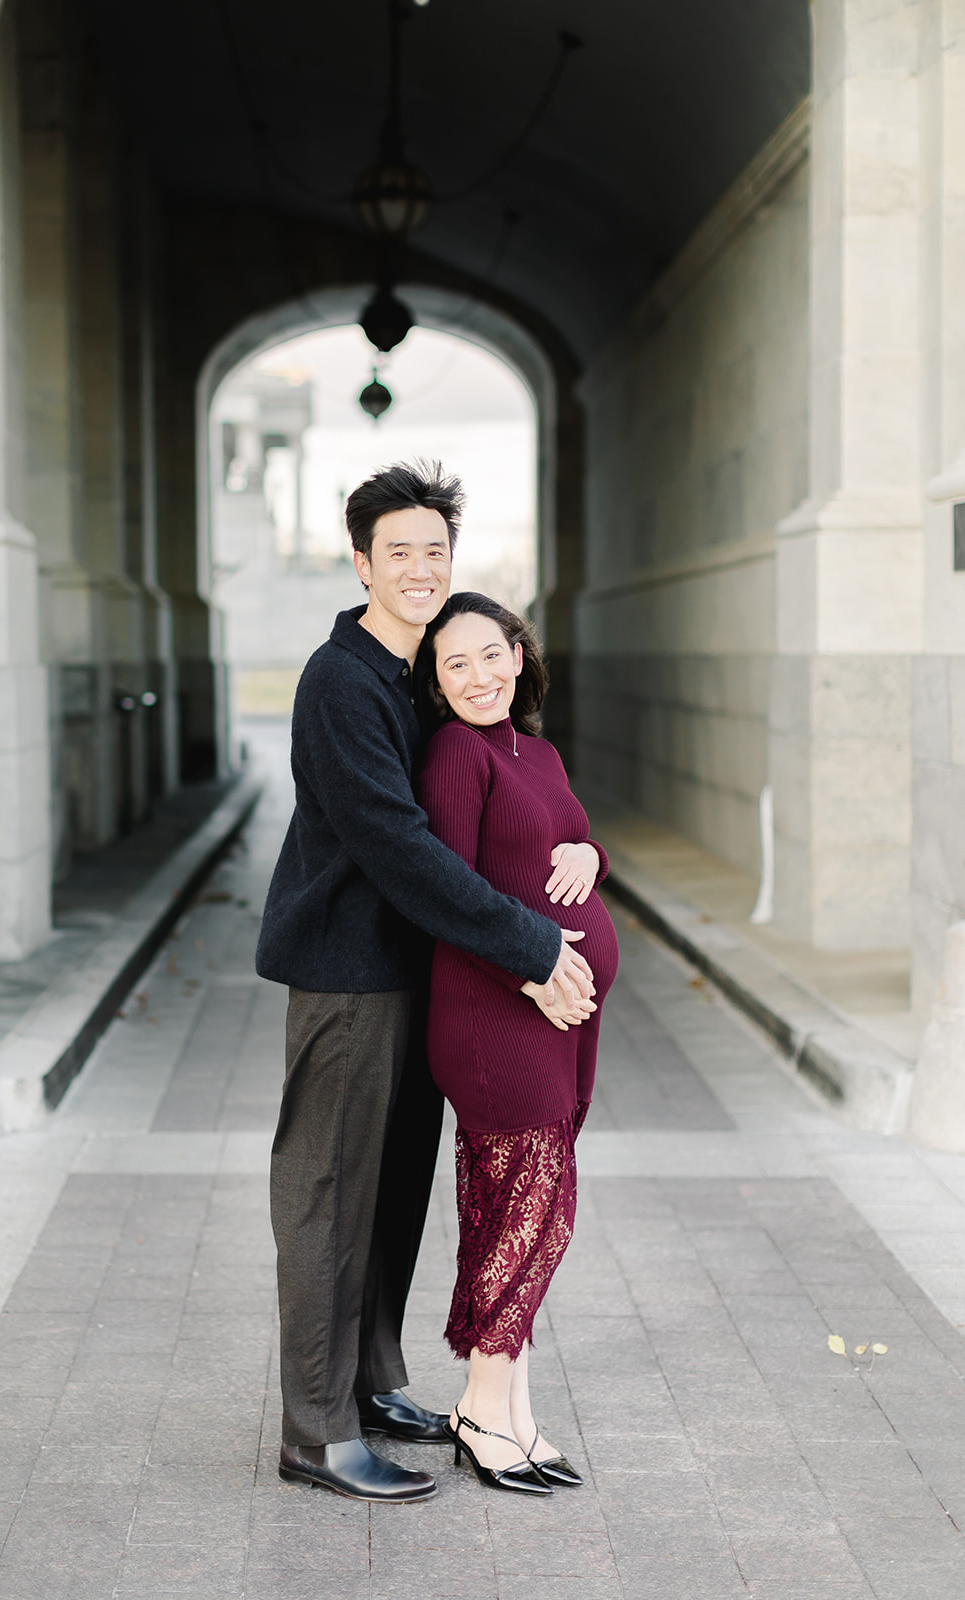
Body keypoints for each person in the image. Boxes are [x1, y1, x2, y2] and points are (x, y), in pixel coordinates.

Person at [255, 461, 601, 1505]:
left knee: (392, 1189)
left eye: (433, 552)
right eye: (395, 551)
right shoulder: (339, 679)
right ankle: (315, 1431)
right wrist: (533, 946)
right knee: (327, 1190)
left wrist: (579, 853)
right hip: (347, 978)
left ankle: (367, 1382)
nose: (416, 568)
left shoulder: (416, 673)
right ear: (360, 562)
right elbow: (400, 848)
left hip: (415, 978)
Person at [418, 591, 619, 1495]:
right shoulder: (458, 755)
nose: (477, 676)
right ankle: (478, 1402)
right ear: (434, 680)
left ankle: (510, 1412)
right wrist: (532, 972)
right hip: (497, 1017)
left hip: (559, 1023)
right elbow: (448, 895)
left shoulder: (533, 751)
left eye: (489, 655)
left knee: (521, 1215)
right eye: (453, 663)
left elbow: (568, 837)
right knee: (535, 1215)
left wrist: (592, 857)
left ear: (517, 653)